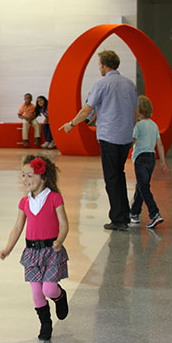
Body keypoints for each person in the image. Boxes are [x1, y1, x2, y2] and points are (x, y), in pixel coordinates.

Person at [60, 50, 137, 231]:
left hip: (109, 136)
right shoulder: (129, 84)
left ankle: (118, 219)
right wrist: (130, 131)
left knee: (112, 177)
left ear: (104, 65)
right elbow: (135, 111)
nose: (99, 67)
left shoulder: (101, 84)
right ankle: (124, 214)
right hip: (125, 137)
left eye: (99, 64)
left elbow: (87, 110)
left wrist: (71, 124)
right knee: (119, 175)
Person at [0, 155, 69, 341]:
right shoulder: (24, 202)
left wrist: (60, 240)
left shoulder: (54, 198)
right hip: (31, 253)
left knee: (49, 290)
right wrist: (8, 248)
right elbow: (18, 227)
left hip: (51, 251)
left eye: (30, 175)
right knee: (37, 293)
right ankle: (45, 323)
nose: (25, 180)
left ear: (43, 178)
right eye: (23, 175)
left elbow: (64, 224)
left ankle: (60, 297)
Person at [130, 96, 169, 229]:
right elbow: (160, 144)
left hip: (140, 158)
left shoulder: (138, 125)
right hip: (151, 158)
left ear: (138, 110)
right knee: (141, 185)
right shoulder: (154, 125)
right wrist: (163, 162)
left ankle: (154, 214)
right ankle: (134, 213)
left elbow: (132, 142)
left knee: (143, 187)